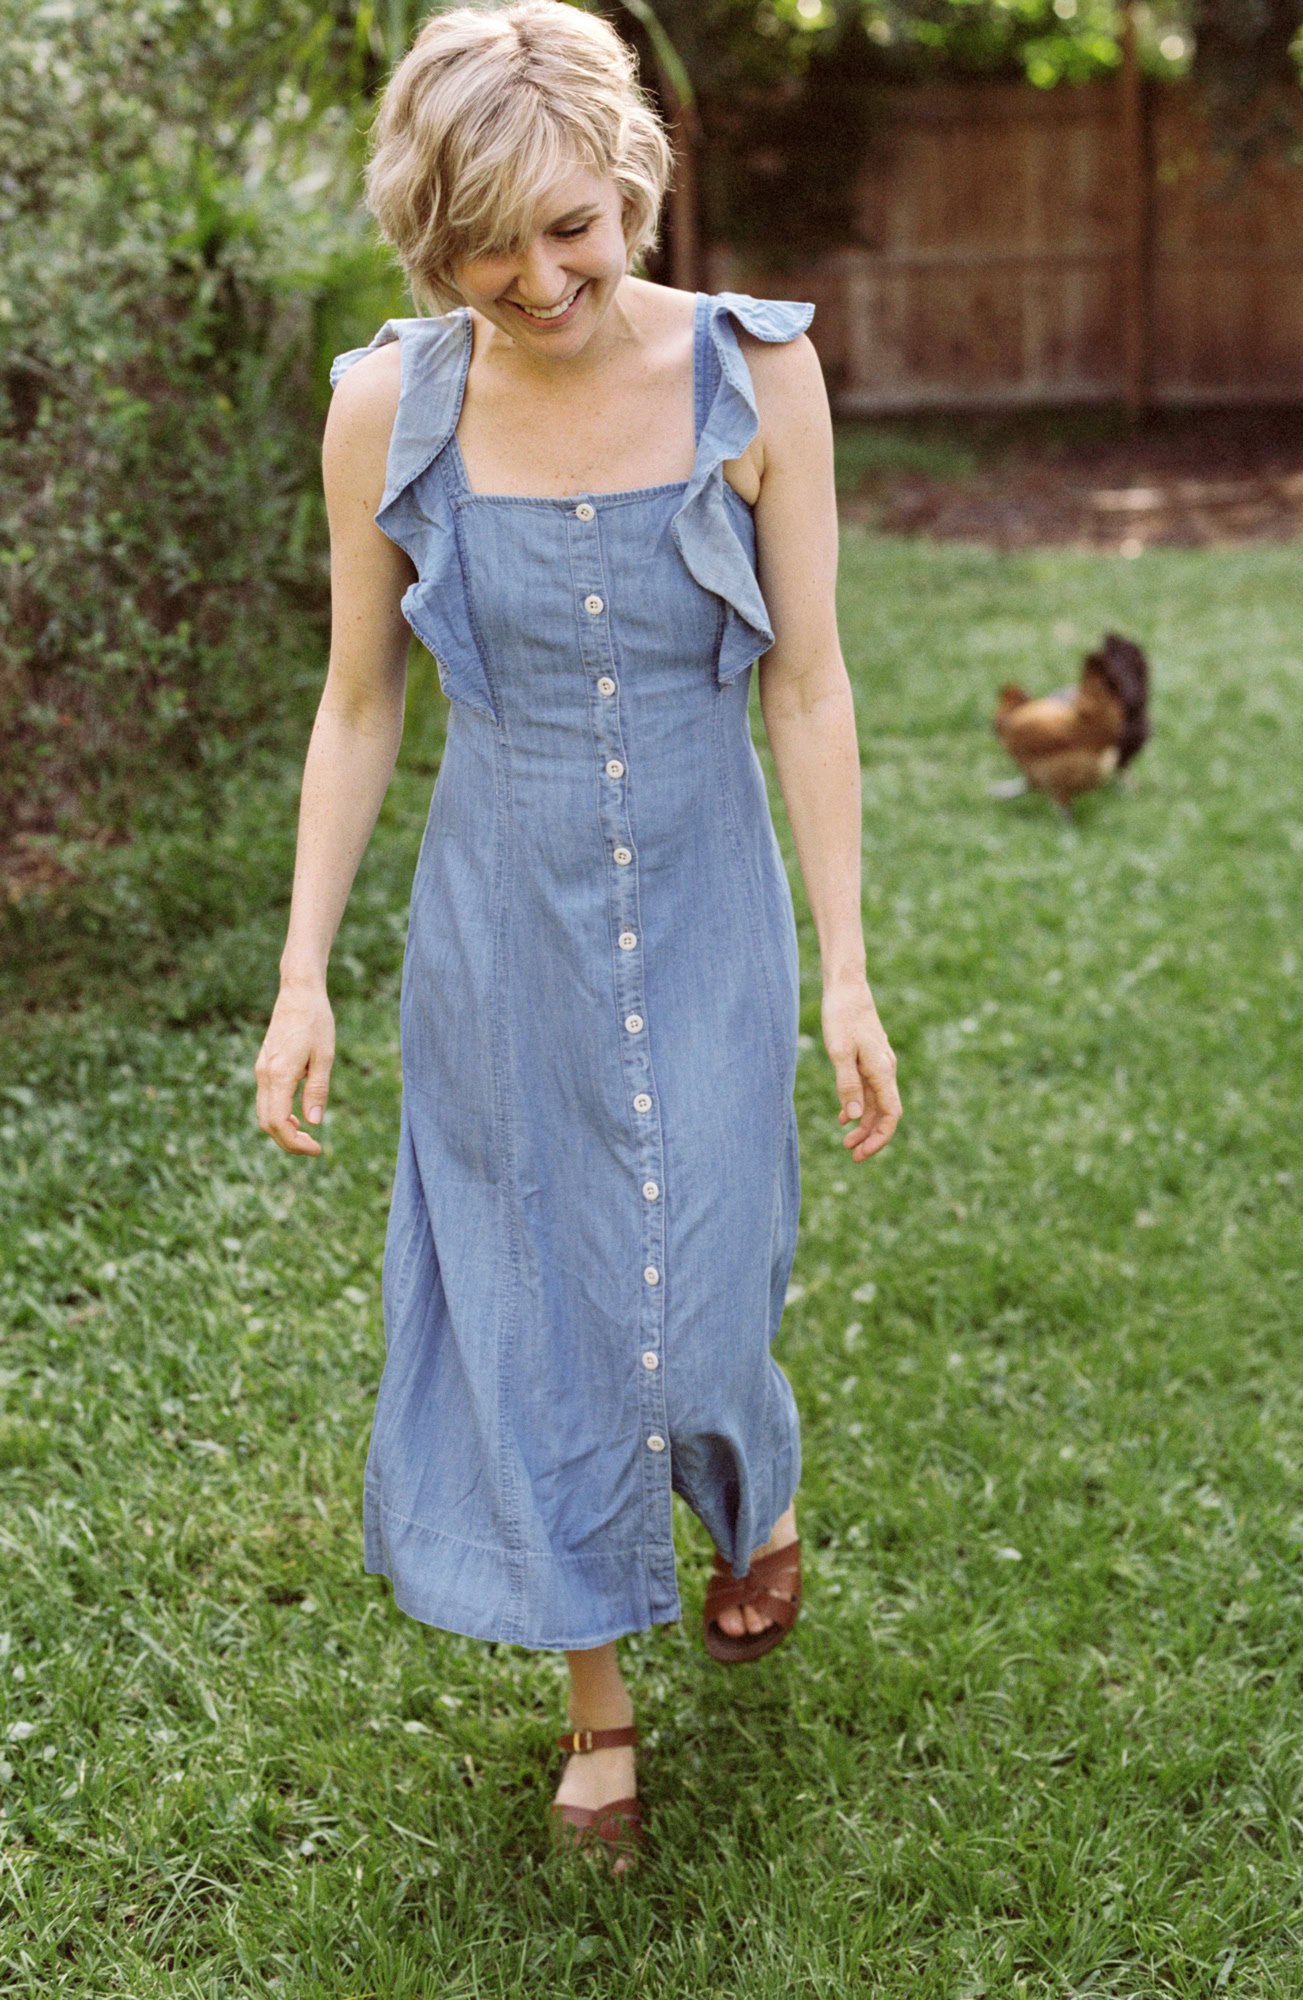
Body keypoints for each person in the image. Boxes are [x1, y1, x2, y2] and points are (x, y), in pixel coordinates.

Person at [254, 0, 899, 1866]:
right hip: (497, 933)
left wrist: (849, 969)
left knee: (696, 1306)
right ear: (426, 239)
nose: (538, 279)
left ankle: (745, 1478)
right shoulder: (390, 408)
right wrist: (302, 975)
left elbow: (814, 691)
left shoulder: (756, 380)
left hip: (708, 904)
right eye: (486, 245)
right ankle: (597, 1713)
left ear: (636, 188)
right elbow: (359, 704)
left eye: (573, 229)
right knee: (538, 1315)